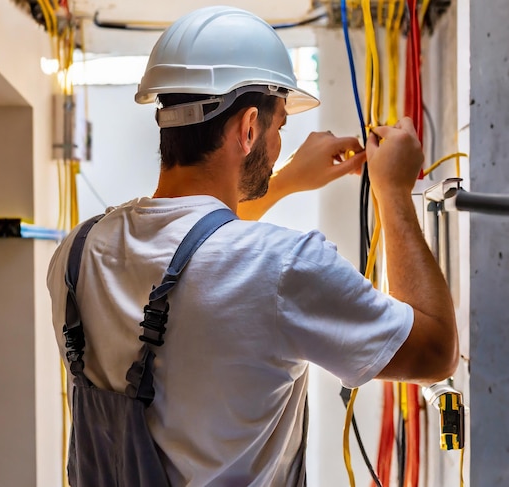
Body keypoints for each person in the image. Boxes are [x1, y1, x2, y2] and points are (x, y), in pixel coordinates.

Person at [47, 5, 459, 486]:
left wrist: (281, 183)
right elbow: (434, 353)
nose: (282, 137)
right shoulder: (285, 267)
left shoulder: (76, 253)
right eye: (280, 125)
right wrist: (392, 192)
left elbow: (196, 248)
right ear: (247, 128)